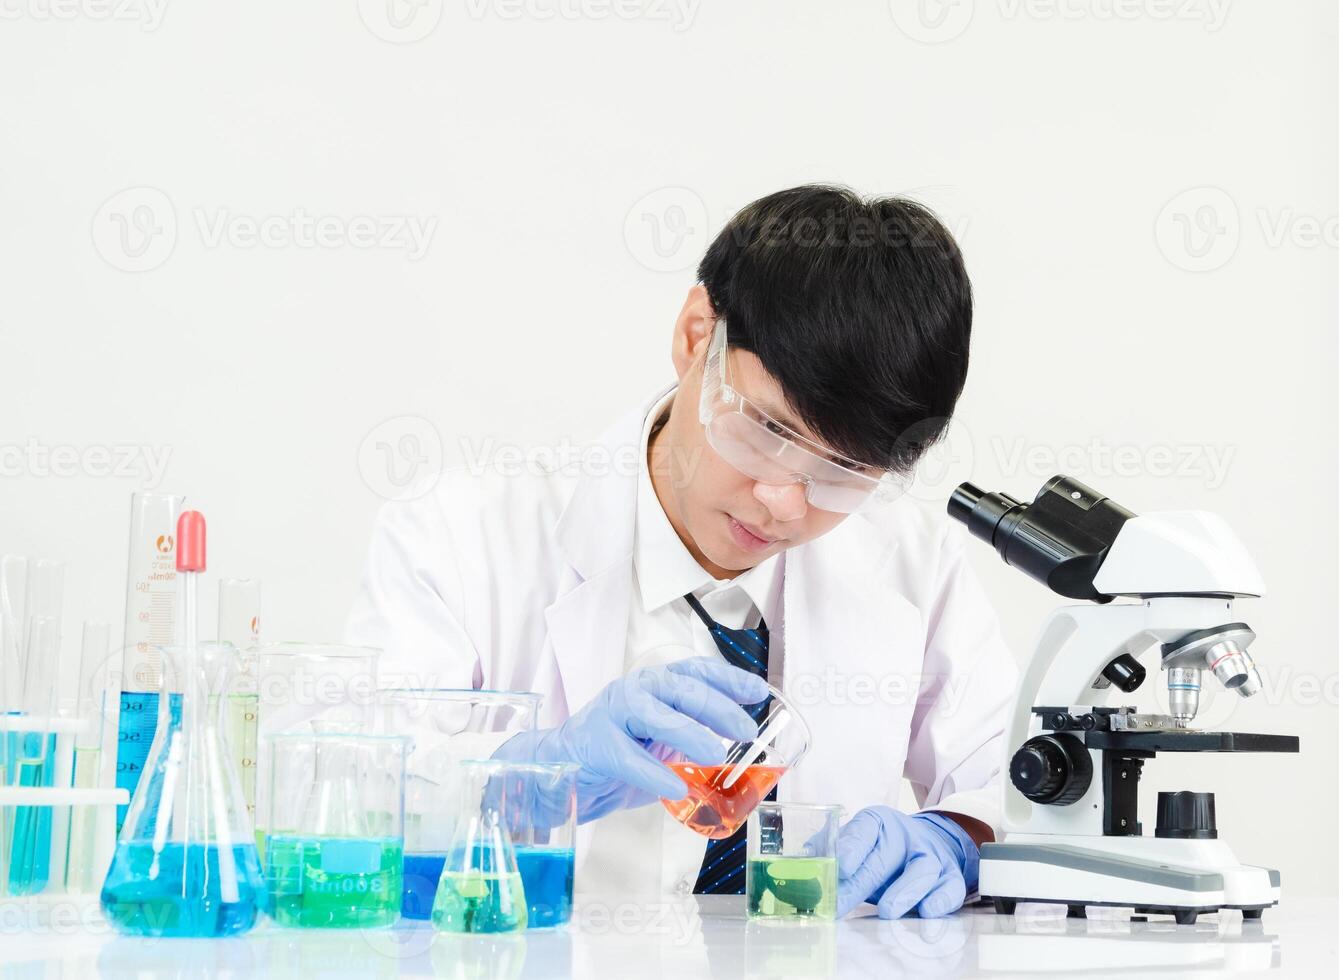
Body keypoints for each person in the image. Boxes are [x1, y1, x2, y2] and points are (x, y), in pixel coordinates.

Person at [347, 185, 1016, 918]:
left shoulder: (913, 563)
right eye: (767, 430)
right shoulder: (461, 533)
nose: (784, 502)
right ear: (697, 335)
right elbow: (353, 791)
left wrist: (955, 836)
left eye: (843, 473)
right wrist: (533, 774)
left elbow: (1013, 782)